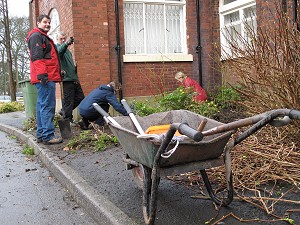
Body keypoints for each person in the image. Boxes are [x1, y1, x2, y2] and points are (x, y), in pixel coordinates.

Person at [26, 14, 63, 145]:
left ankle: (41, 134)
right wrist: (43, 75)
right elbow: (37, 57)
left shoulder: (41, 36)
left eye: (49, 22)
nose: (47, 24)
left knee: (42, 105)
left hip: (46, 76)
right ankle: (48, 135)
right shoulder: (37, 36)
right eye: (44, 22)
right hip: (45, 78)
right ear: (38, 23)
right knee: (47, 106)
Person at [56, 31, 84, 124]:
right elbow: (60, 51)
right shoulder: (57, 48)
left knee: (80, 97)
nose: (63, 40)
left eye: (64, 38)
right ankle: (67, 120)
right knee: (68, 101)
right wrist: (66, 43)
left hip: (73, 79)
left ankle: (63, 111)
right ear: (57, 39)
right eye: (61, 39)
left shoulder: (68, 51)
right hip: (66, 79)